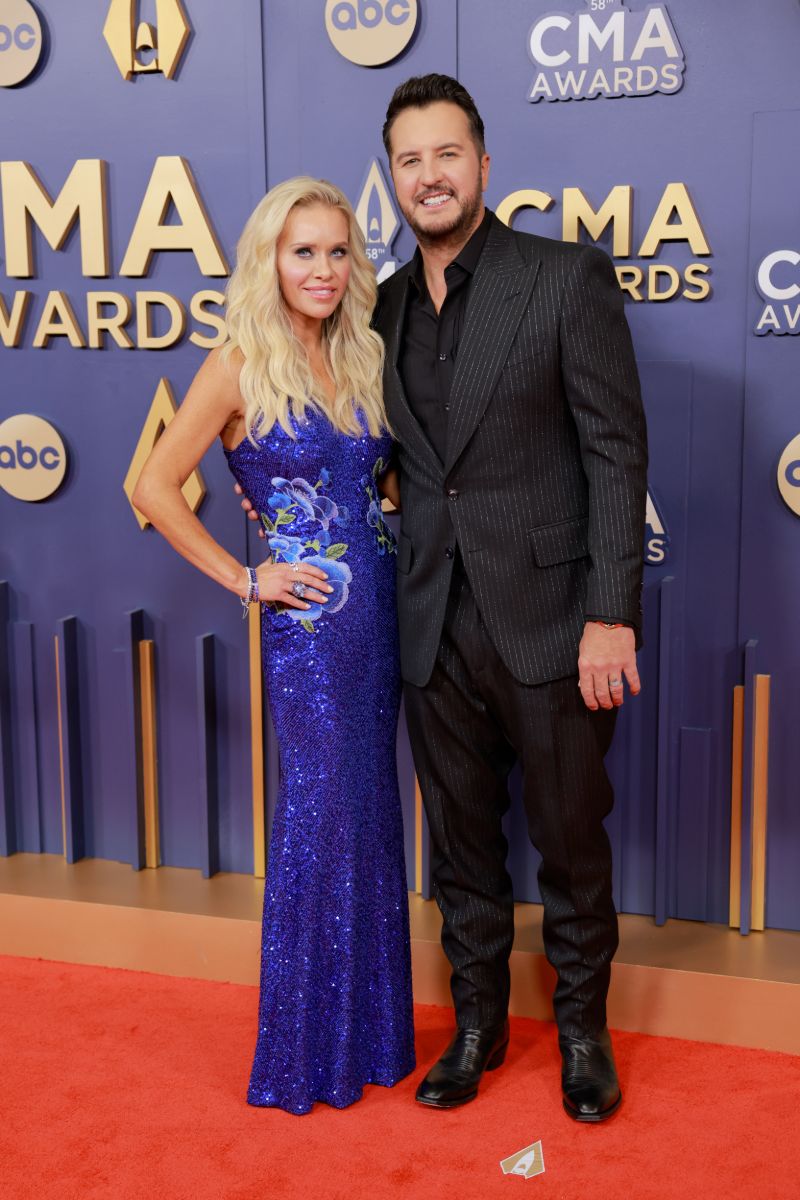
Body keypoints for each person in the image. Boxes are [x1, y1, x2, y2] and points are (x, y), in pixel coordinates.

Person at [239, 77, 648, 1121]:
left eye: (447, 154)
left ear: (481, 163)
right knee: (462, 849)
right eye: (410, 160)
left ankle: (581, 1036)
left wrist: (609, 613)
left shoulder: (561, 277)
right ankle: (473, 1030)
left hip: (552, 623)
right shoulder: (369, 312)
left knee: (568, 841)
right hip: (422, 622)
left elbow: (613, 453)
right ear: (392, 179)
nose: (430, 175)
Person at [133, 177, 415, 1115]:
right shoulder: (239, 362)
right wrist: (247, 577)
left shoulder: (364, 353)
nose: (324, 270)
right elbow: (153, 485)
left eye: (339, 251)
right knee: (316, 821)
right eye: (304, 252)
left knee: (372, 817)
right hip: (310, 630)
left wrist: (381, 508)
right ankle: (306, 1055)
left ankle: (373, 1040)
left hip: (381, 612)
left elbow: (382, 482)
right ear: (269, 259)